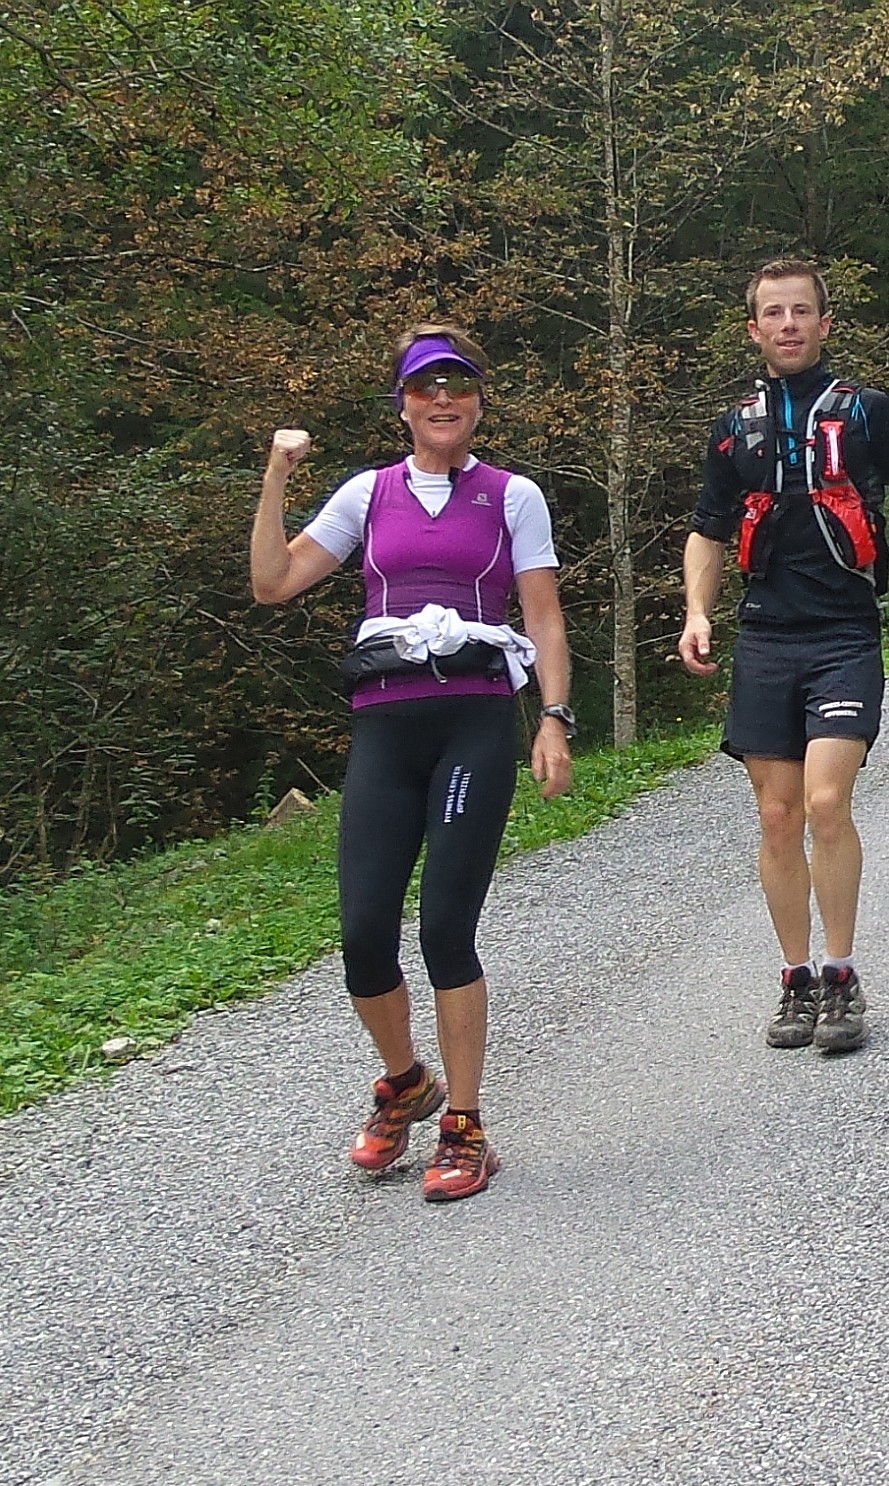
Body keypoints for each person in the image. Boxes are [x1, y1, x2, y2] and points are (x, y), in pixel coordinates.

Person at [250, 322, 575, 1201]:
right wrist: (277, 476)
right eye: (426, 386)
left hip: (474, 722)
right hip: (386, 728)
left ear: (478, 402)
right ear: (402, 404)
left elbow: (543, 616)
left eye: (458, 385)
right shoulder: (369, 493)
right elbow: (273, 582)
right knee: (363, 935)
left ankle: (464, 1126)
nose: (443, 399)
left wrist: (553, 719)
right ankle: (404, 1082)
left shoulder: (512, 496)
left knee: (443, 930)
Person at [679, 259, 889, 1053]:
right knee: (777, 814)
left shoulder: (866, 411)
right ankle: (795, 979)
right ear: (754, 329)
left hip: (843, 634)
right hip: (766, 635)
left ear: (825, 324)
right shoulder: (734, 426)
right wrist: (696, 612)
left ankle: (841, 973)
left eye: (802, 311)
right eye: (774, 313)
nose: (789, 324)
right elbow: (708, 529)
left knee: (826, 802)